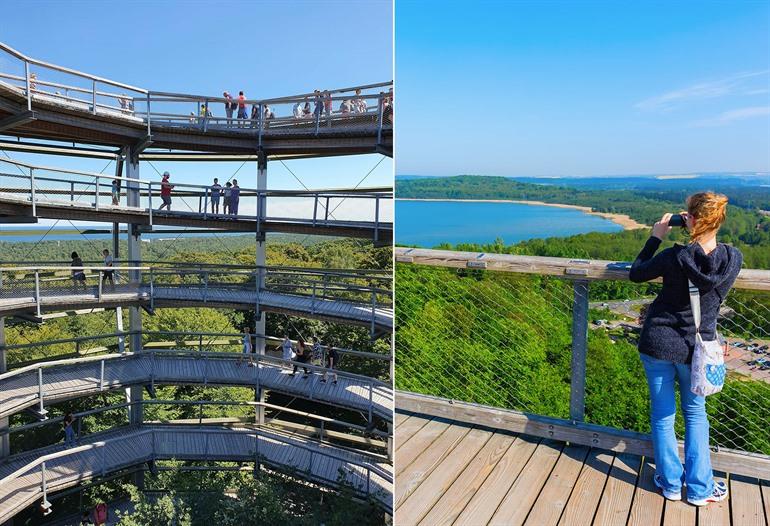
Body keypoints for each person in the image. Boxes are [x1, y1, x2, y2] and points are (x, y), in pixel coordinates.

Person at [629, 192, 742, 507]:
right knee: (696, 415)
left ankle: (669, 483)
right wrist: (697, 231)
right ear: (718, 220)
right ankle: (699, 488)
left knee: (663, 415)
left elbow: (636, 272)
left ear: (689, 220)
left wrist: (655, 238)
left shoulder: (671, 256)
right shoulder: (733, 259)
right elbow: (707, 259)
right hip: (697, 349)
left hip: (658, 343)